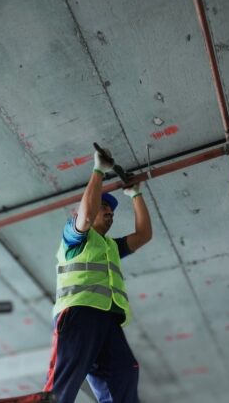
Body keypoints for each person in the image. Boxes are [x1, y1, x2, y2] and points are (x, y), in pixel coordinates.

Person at [43, 148, 153, 402]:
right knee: (64, 383)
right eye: (104, 207)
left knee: (125, 374)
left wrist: (136, 195)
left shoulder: (110, 247)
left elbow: (144, 235)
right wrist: (98, 171)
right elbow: (86, 216)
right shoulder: (74, 238)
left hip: (109, 320)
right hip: (78, 315)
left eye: (111, 211)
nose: (110, 213)